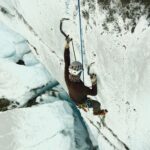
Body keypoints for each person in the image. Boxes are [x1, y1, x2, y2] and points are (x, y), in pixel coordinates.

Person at [64, 36, 107, 115]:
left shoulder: (67, 77)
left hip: (75, 98)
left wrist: (67, 45)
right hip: (81, 101)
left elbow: (67, 61)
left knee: (91, 102)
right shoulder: (79, 88)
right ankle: (96, 112)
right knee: (97, 104)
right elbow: (94, 92)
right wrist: (94, 81)